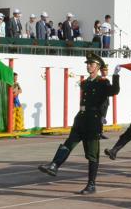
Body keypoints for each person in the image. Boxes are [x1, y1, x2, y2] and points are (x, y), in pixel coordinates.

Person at [37, 54, 121, 193]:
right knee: (69, 143)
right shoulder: (85, 82)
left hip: (93, 121)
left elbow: (115, 91)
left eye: (91, 64)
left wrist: (116, 76)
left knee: (92, 154)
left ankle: (91, 184)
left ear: (98, 67)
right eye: (87, 64)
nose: (88, 66)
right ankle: (54, 165)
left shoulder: (102, 82)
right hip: (81, 118)